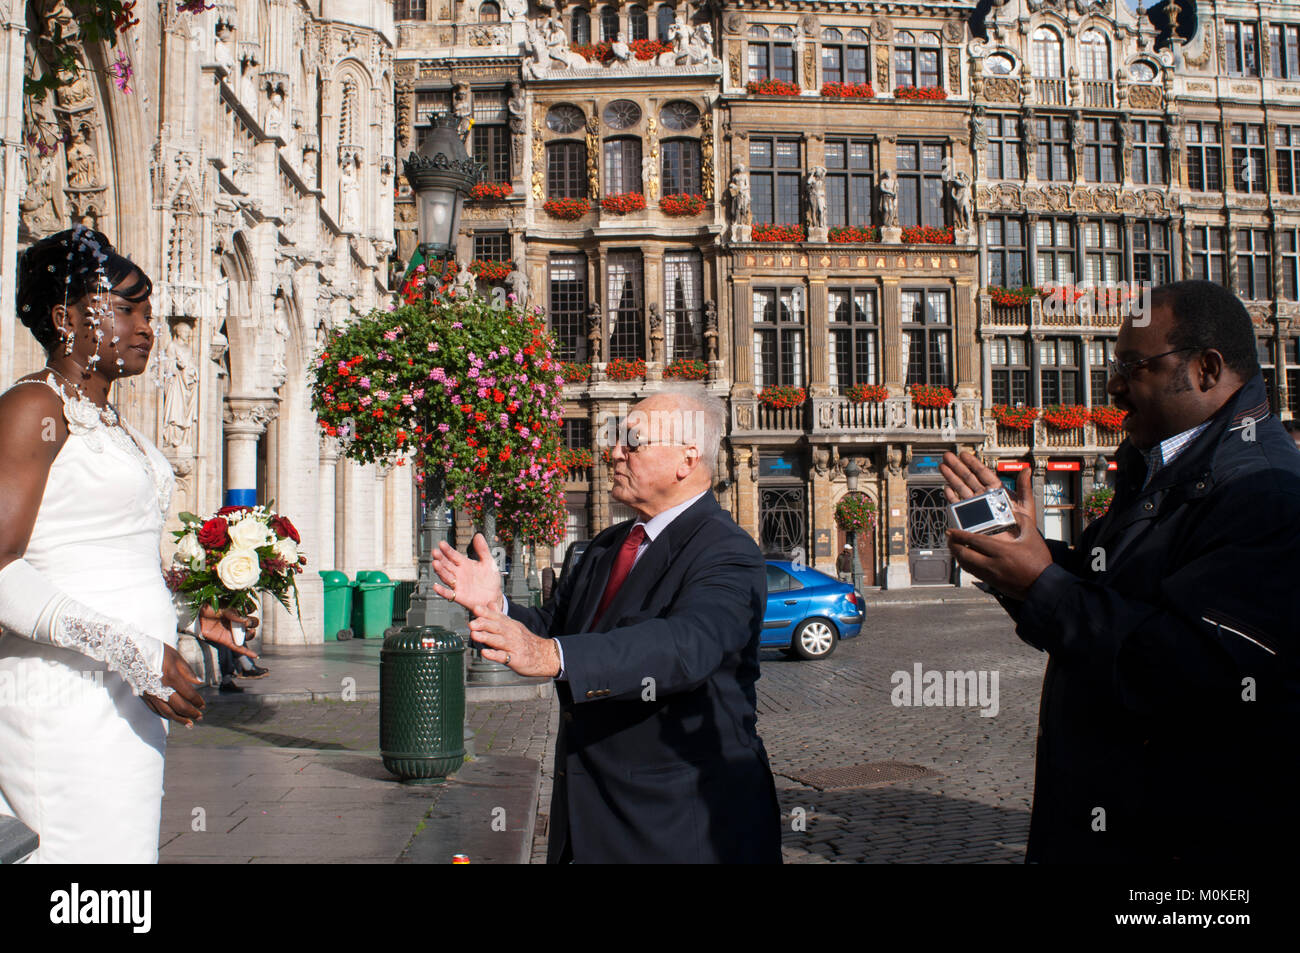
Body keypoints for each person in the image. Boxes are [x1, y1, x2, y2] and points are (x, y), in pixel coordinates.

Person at [940, 280, 1300, 863]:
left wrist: (1041, 582)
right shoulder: (1164, 468)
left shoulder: (1266, 492)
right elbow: (1114, 596)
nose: (1112, 386)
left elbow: (1187, 671)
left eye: (1134, 366)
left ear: (1207, 369)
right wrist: (1024, 557)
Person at [431, 384, 782, 863]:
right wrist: (499, 607)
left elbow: (684, 647)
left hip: (680, 827)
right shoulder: (606, 546)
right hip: (589, 819)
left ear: (687, 459)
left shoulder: (727, 551)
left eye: (632, 442)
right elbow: (554, 627)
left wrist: (553, 656)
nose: (612, 451)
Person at [0, 227, 257, 863]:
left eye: (149, 311)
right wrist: (129, 648)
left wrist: (190, 615)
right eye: (127, 308)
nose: (147, 327)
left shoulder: (120, 429)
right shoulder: (33, 407)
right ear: (66, 318)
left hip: (129, 697)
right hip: (63, 697)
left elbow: (107, 562)